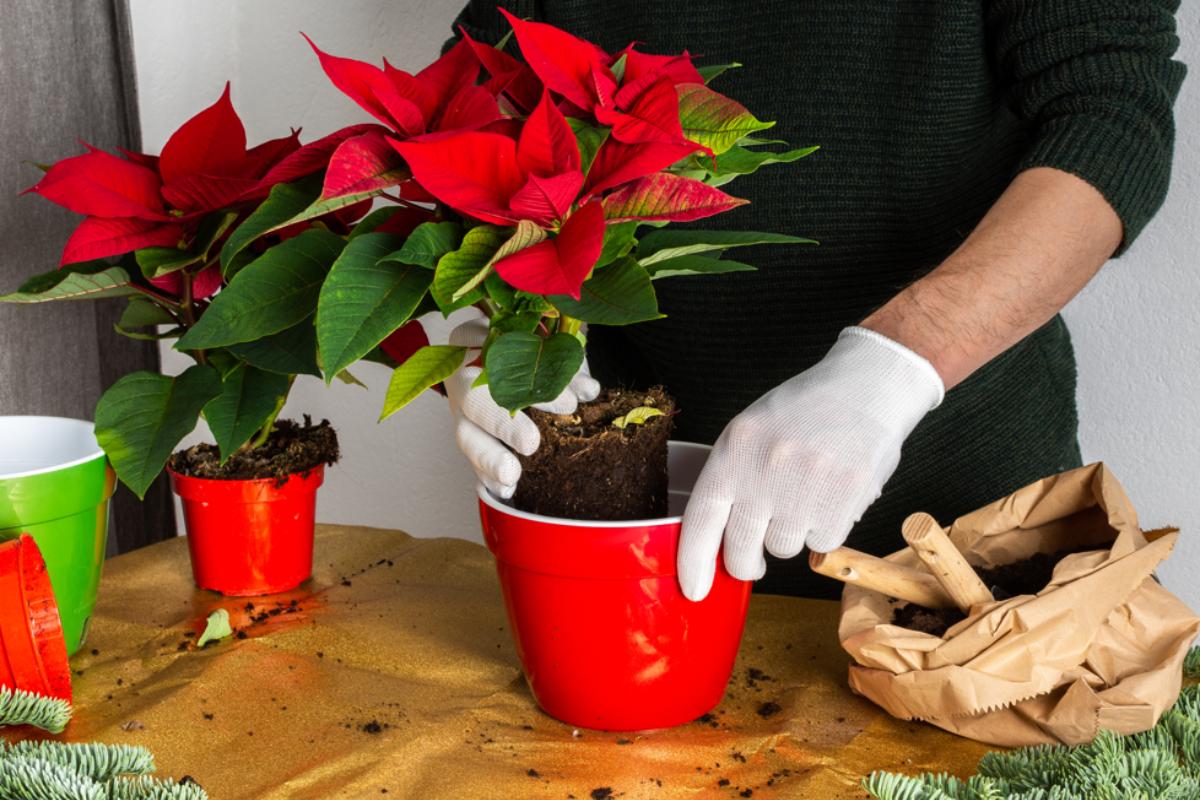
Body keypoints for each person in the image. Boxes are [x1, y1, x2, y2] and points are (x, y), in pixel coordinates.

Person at [442, 0, 1186, 599]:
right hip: (643, 531)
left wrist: (894, 368)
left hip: (970, 543)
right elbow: (477, 101)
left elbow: (1109, 115)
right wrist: (483, 330)